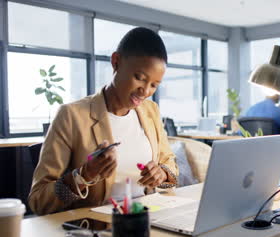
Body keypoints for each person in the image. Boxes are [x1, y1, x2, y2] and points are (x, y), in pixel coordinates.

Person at [28, 27, 178, 215]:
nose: (146, 91)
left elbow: (169, 162)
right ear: (116, 62)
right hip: (96, 229)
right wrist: (84, 176)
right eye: (139, 78)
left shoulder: (151, 111)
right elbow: (38, 201)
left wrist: (162, 173)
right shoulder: (71, 116)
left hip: (146, 219)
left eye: (154, 85)